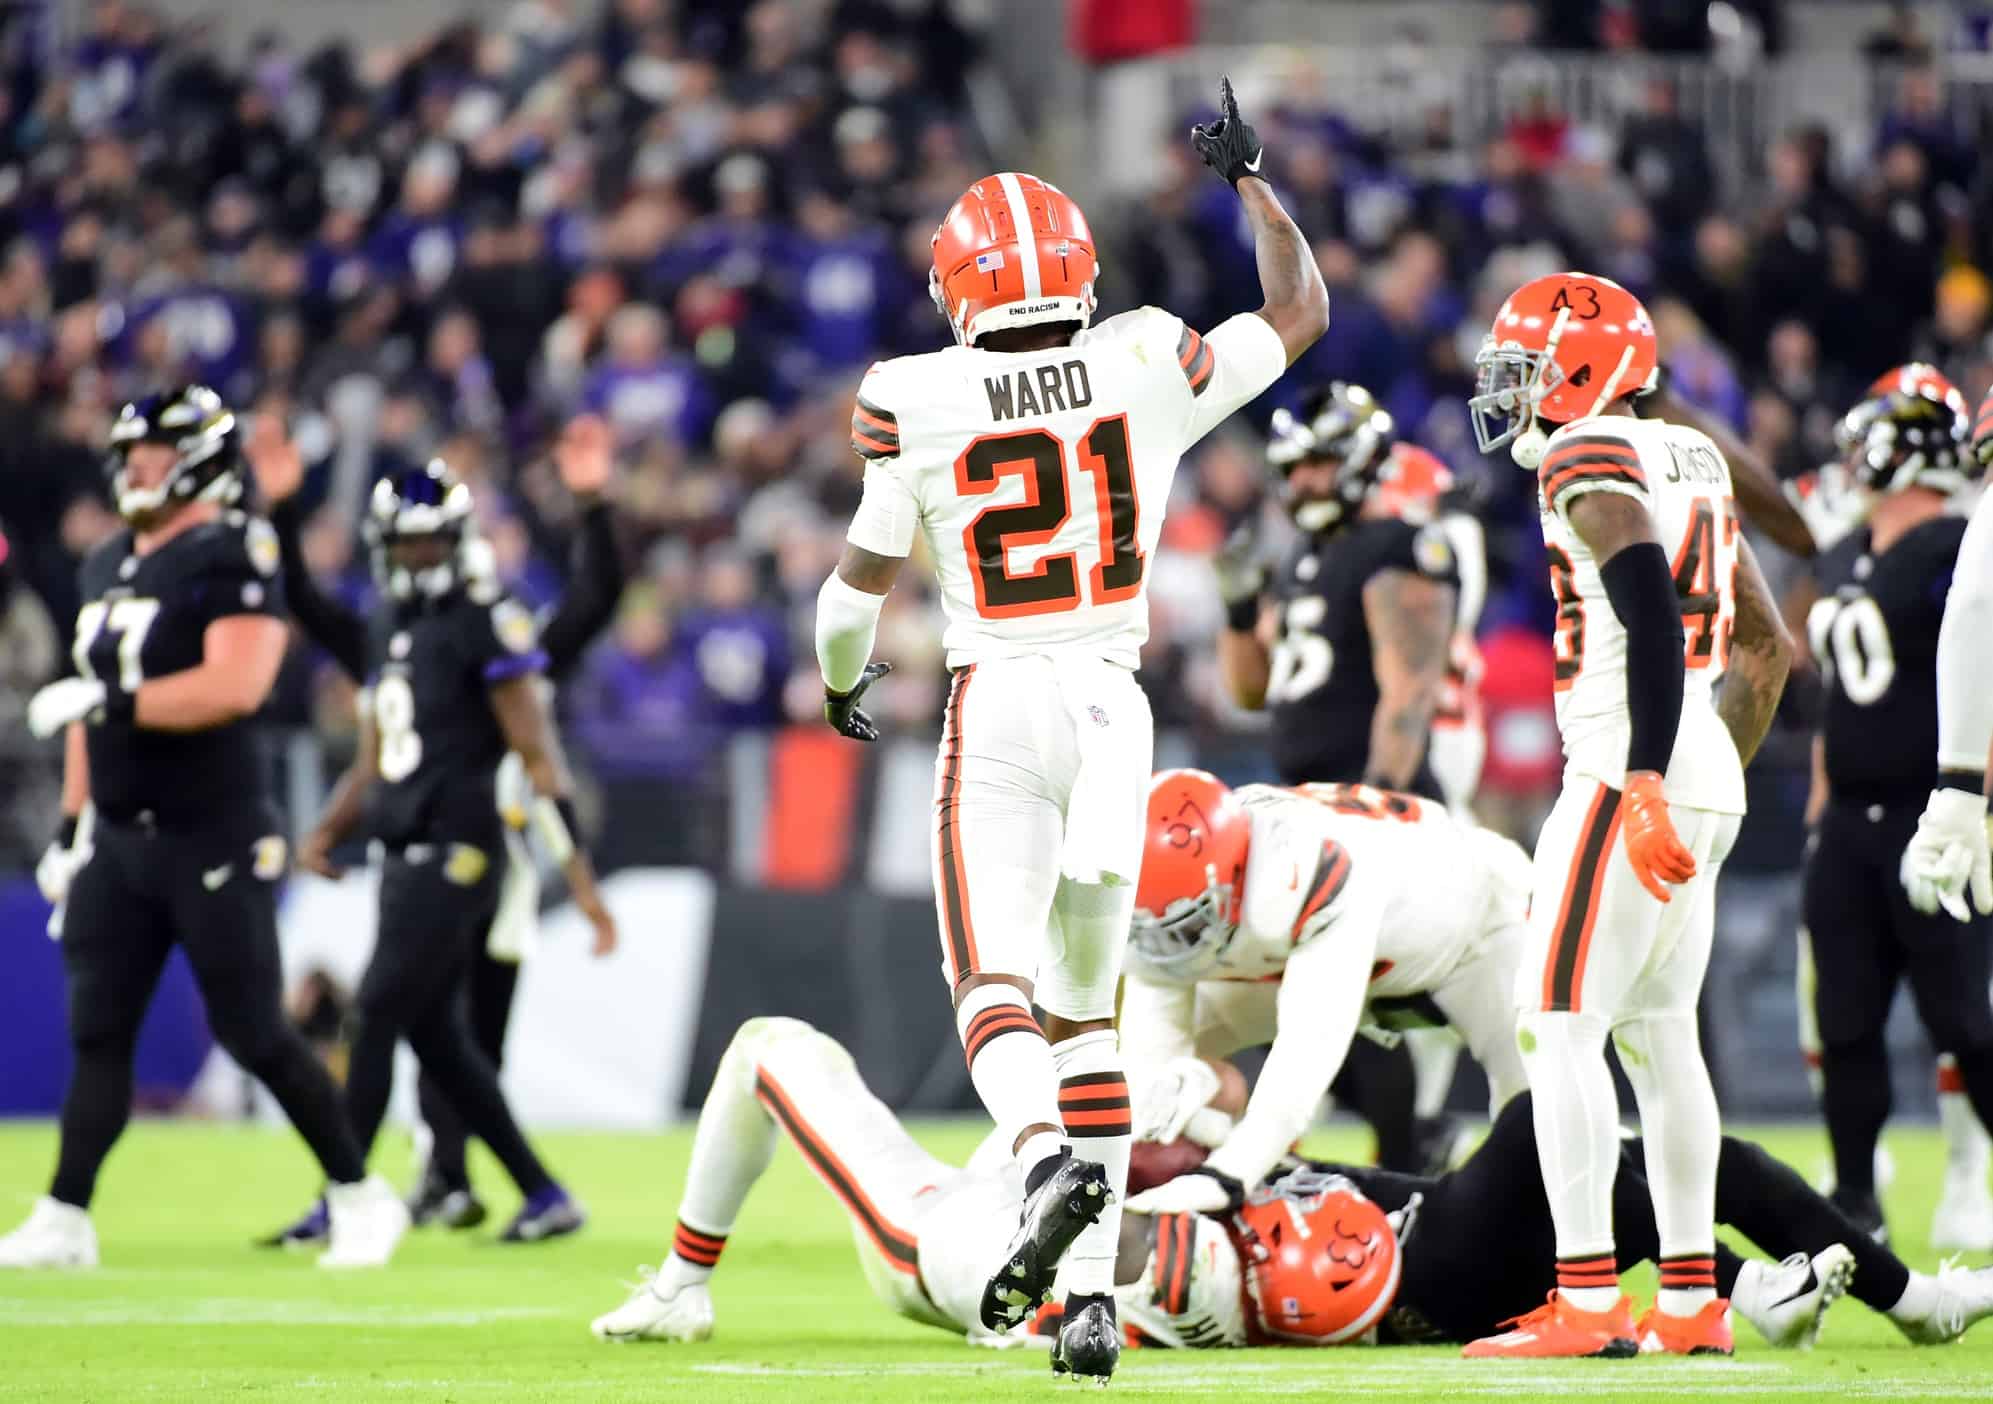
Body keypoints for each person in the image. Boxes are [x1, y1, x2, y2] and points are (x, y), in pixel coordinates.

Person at [805, 78, 1328, 1380]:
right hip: (1113, 703)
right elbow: (1300, 312)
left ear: (959, 286)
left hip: (998, 706)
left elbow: (851, 594)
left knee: (996, 996)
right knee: (1089, 1018)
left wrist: (841, 684)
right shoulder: (1146, 353)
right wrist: (1250, 179)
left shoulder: (909, 395)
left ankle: (1047, 1171)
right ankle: (1091, 1300)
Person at [585, 1017, 1993, 1353]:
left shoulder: (1154, 1188)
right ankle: (1743, 1294)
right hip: (1077, 1233)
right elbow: (1247, 1241)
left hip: (991, 1234)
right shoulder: (955, 1225)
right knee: (1583, 1129)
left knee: (773, 1049)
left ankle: (681, 1283)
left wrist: (1208, 1185)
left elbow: (1189, 1241)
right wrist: (1208, 1179)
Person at [1462, 272, 1794, 1359]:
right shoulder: (1691, 452)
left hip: (1626, 760)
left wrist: (1644, 776)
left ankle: (1591, 1298)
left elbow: (1648, 600)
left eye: (1526, 370)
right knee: (1659, 1040)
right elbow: (1765, 639)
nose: (1513, 394)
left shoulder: (1585, 450)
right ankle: (1692, 1300)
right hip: (1697, 753)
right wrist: (1691, 775)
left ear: (1583, 368)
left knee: (1557, 1025)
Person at [1, 386, 406, 1270]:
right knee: (98, 1031)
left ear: (196, 458)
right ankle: (66, 1215)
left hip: (211, 828)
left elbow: (237, 684)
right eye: (130, 448)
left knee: (256, 1029)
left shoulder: (233, 549)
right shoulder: (105, 557)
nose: (135, 465)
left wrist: (113, 698)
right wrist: (73, 829)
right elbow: (84, 713)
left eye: (155, 450)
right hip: (119, 833)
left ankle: (359, 1194)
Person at [246, 414, 627, 1231]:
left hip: (466, 848)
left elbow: (539, 749)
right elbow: (378, 751)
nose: (419, 558)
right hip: (404, 848)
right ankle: (534, 1190)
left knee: (382, 1012)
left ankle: (345, 1195)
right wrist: (327, 830)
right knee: (441, 1042)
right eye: (406, 543)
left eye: (431, 542)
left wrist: (585, 885)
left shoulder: (485, 620)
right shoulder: (387, 628)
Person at [1111, 769, 1530, 1221]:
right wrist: (1200, 1098)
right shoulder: (1189, 894)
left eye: (1189, 925)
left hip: (1476, 926)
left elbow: (1309, 1045)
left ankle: (1572, 1274)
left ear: (1233, 877)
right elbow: (1150, 1070)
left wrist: (1228, 1175)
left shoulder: (1303, 874)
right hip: (1328, 952)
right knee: (1149, 1099)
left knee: (1530, 1121)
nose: (1170, 949)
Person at [1800, 368, 1993, 1254]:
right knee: (1844, 1020)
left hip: (1932, 812)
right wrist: (1817, 807)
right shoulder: (1846, 551)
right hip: (1848, 822)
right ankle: (1851, 1198)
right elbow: (1835, 702)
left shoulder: (1957, 542)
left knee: (1962, 1019)